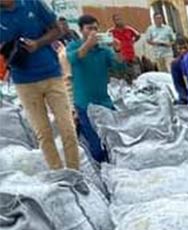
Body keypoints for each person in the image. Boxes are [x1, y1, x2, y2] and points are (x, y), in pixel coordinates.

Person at [0, 0, 80, 170]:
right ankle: (57, 173)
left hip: (51, 75)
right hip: (24, 82)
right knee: (43, 133)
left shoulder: (33, 3)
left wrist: (38, 43)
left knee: (68, 129)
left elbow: (57, 30)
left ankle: (74, 172)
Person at [67, 14, 119, 163]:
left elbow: (119, 67)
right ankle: (100, 169)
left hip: (104, 101)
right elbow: (74, 58)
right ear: (81, 30)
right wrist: (88, 44)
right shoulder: (74, 46)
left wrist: (118, 50)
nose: (94, 32)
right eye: (90, 29)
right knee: (96, 146)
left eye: (96, 28)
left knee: (114, 138)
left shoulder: (103, 50)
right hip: (84, 103)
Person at [108, 14, 139, 82]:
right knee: (122, 78)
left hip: (131, 56)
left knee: (135, 78)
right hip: (119, 58)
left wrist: (132, 41)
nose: (119, 21)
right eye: (117, 20)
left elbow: (138, 35)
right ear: (114, 21)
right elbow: (107, 41)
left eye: (120, 19)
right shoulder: (111, 31)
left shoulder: (129, 29)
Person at [169, 36, 188, 104]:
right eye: (180, 49)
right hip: (185, 96)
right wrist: (185, 97)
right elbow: (178, 84)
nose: (183, 51)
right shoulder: (175, 64)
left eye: (185, 48)